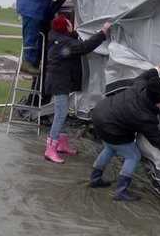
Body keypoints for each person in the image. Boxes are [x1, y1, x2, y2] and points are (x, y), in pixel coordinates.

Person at [87, 64, 160, 201]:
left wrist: (155, 70)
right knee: (133, 155)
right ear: (154, 102)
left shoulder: (141, 86)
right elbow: (158, 141)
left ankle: (94, 179)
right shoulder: (145, 117)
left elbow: (145, 76)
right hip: (110, 126)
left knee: (110, 148)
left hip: (100, 114)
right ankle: (121, 191)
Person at [44, 16, 111, 164]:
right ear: (64, 27)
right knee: (60, 114)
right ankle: (50, 149)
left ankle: (61, 144)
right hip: (59, 83)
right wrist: (103, 32)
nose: (71, 24)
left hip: (59, 81)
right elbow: (84, 47)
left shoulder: (59, 39)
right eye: (69, 23)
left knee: (61, 112)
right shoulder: (63, 43)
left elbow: (75, 41)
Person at [16, 0, 71, 74]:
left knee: (33, 36)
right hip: (31, 9)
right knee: (31, 36)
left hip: (33, 9)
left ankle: (31, 63)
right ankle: (28, 64)